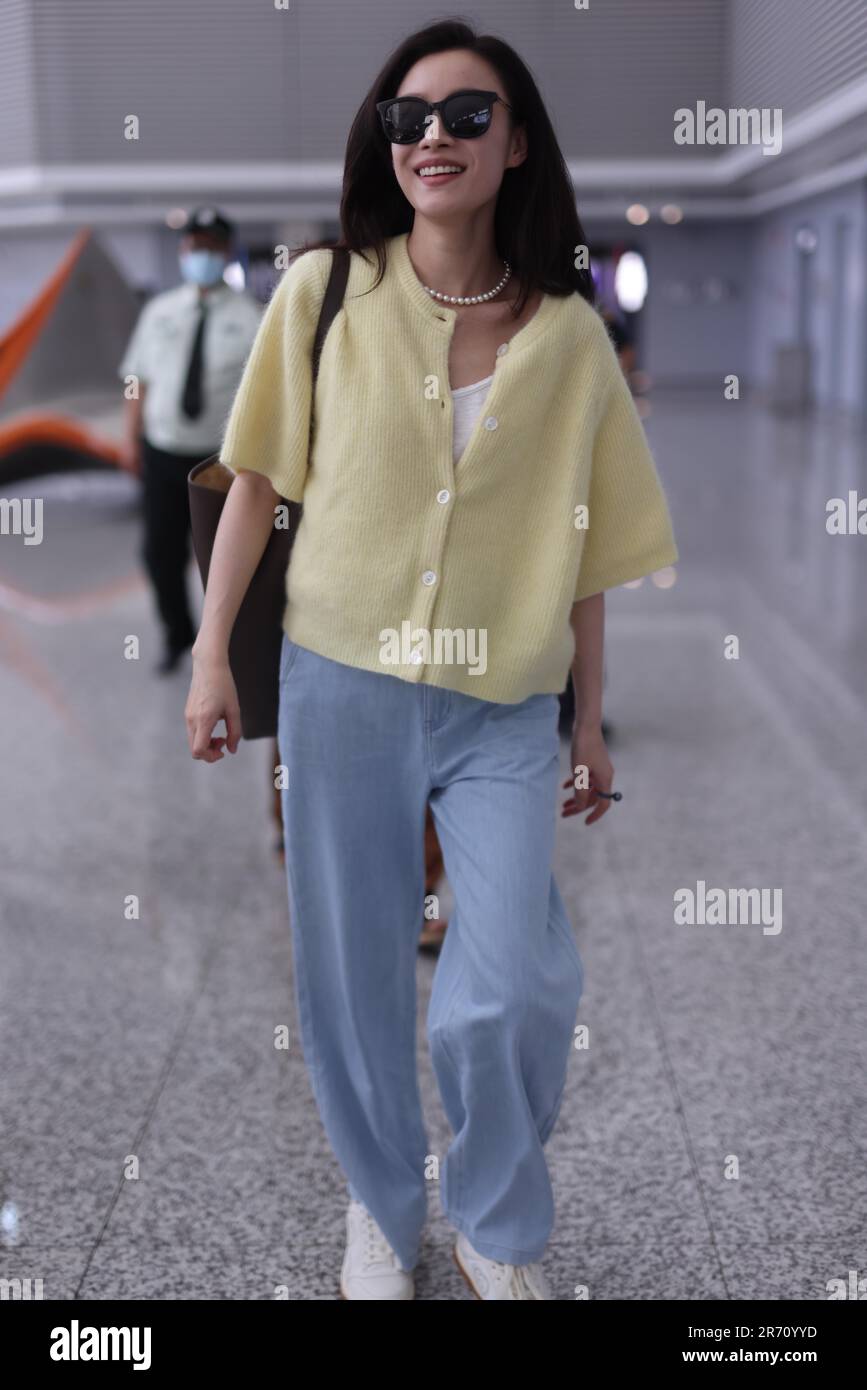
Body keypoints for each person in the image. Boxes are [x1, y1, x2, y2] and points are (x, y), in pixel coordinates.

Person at [185, 20, 678, 1300]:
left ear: (516, 143)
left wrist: (592, 720)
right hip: (338, 686)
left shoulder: (570, 339)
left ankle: (494, 1212)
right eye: (410, 118)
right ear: (385, 141)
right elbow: (252, 486)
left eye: (469, 115)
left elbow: (589, 550)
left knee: (510, 983)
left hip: (504, 706)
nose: (436, 139)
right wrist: (210, 663)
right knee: (349, 982)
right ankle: (381, 1203)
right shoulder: (324, 291)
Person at [118, 207, 263, 672]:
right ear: (183, 251)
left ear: (226, 253)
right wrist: (130, 438)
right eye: (194, 247)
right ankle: (177, 636)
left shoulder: (253, 317)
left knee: (224, 558)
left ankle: (224, 646)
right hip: (161, 451)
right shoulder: (160, 311)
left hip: (220, 462)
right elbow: (137, 378)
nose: (201, 255)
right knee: (159, 552)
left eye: (211, 248)